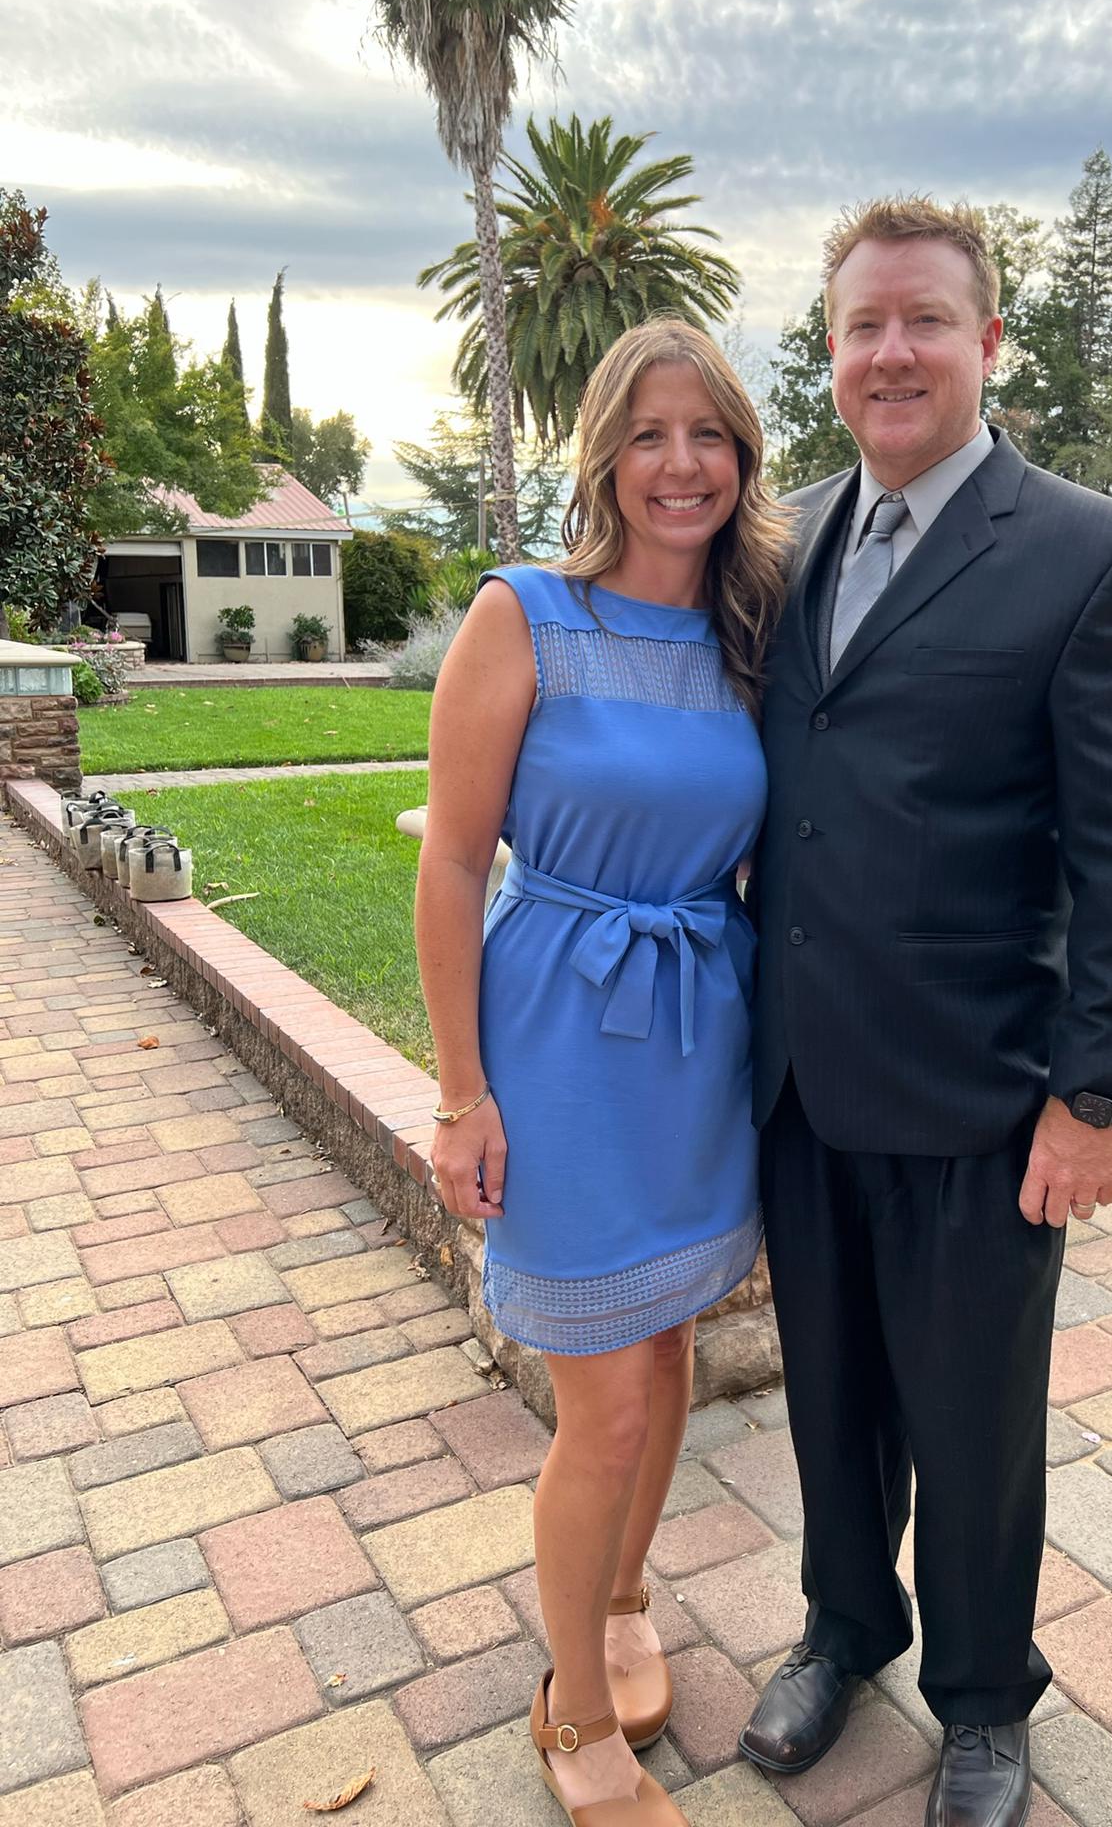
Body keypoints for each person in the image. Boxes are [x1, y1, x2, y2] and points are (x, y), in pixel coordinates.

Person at [741, 199, 1112, 1827]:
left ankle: (986, 1696)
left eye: (925, 320)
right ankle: (844, 1626)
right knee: (829, 1393)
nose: (893, 352)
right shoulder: (779, 544)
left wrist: (1098, 1092)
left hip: (982, 1096)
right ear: (831, 351)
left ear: (989, 342)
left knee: (976, 1422)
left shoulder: (1089, 553)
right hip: (800, 1082)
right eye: (863, 325)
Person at [416, 318, 787, 1827]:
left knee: (670, 1341)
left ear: (741, 455)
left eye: (706, 435)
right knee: (607, 1407)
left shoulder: (754, 637)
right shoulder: (524, 614)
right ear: (604, 457)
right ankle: (573, 1712)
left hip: (699, 1037)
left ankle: (624, 1596)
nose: (678, 465)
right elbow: (452, 861)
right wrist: (462, 1092)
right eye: (647, 434)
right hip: (559, 1040)